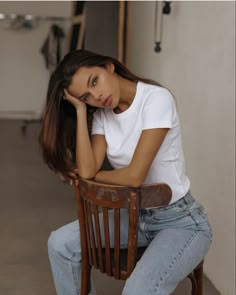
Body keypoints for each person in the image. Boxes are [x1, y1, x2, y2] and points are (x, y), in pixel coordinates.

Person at [39, 49, 212, 295]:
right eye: (87, 96)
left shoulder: (156, 100)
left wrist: (94, 176)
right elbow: (87, 167)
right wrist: (79, 111)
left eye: (94, 81)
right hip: (134, 216)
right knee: (60, 244)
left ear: (108, 66)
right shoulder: (101, 115)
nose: (97, 96)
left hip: (180, 221)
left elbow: (133, 177)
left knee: (138, 290)